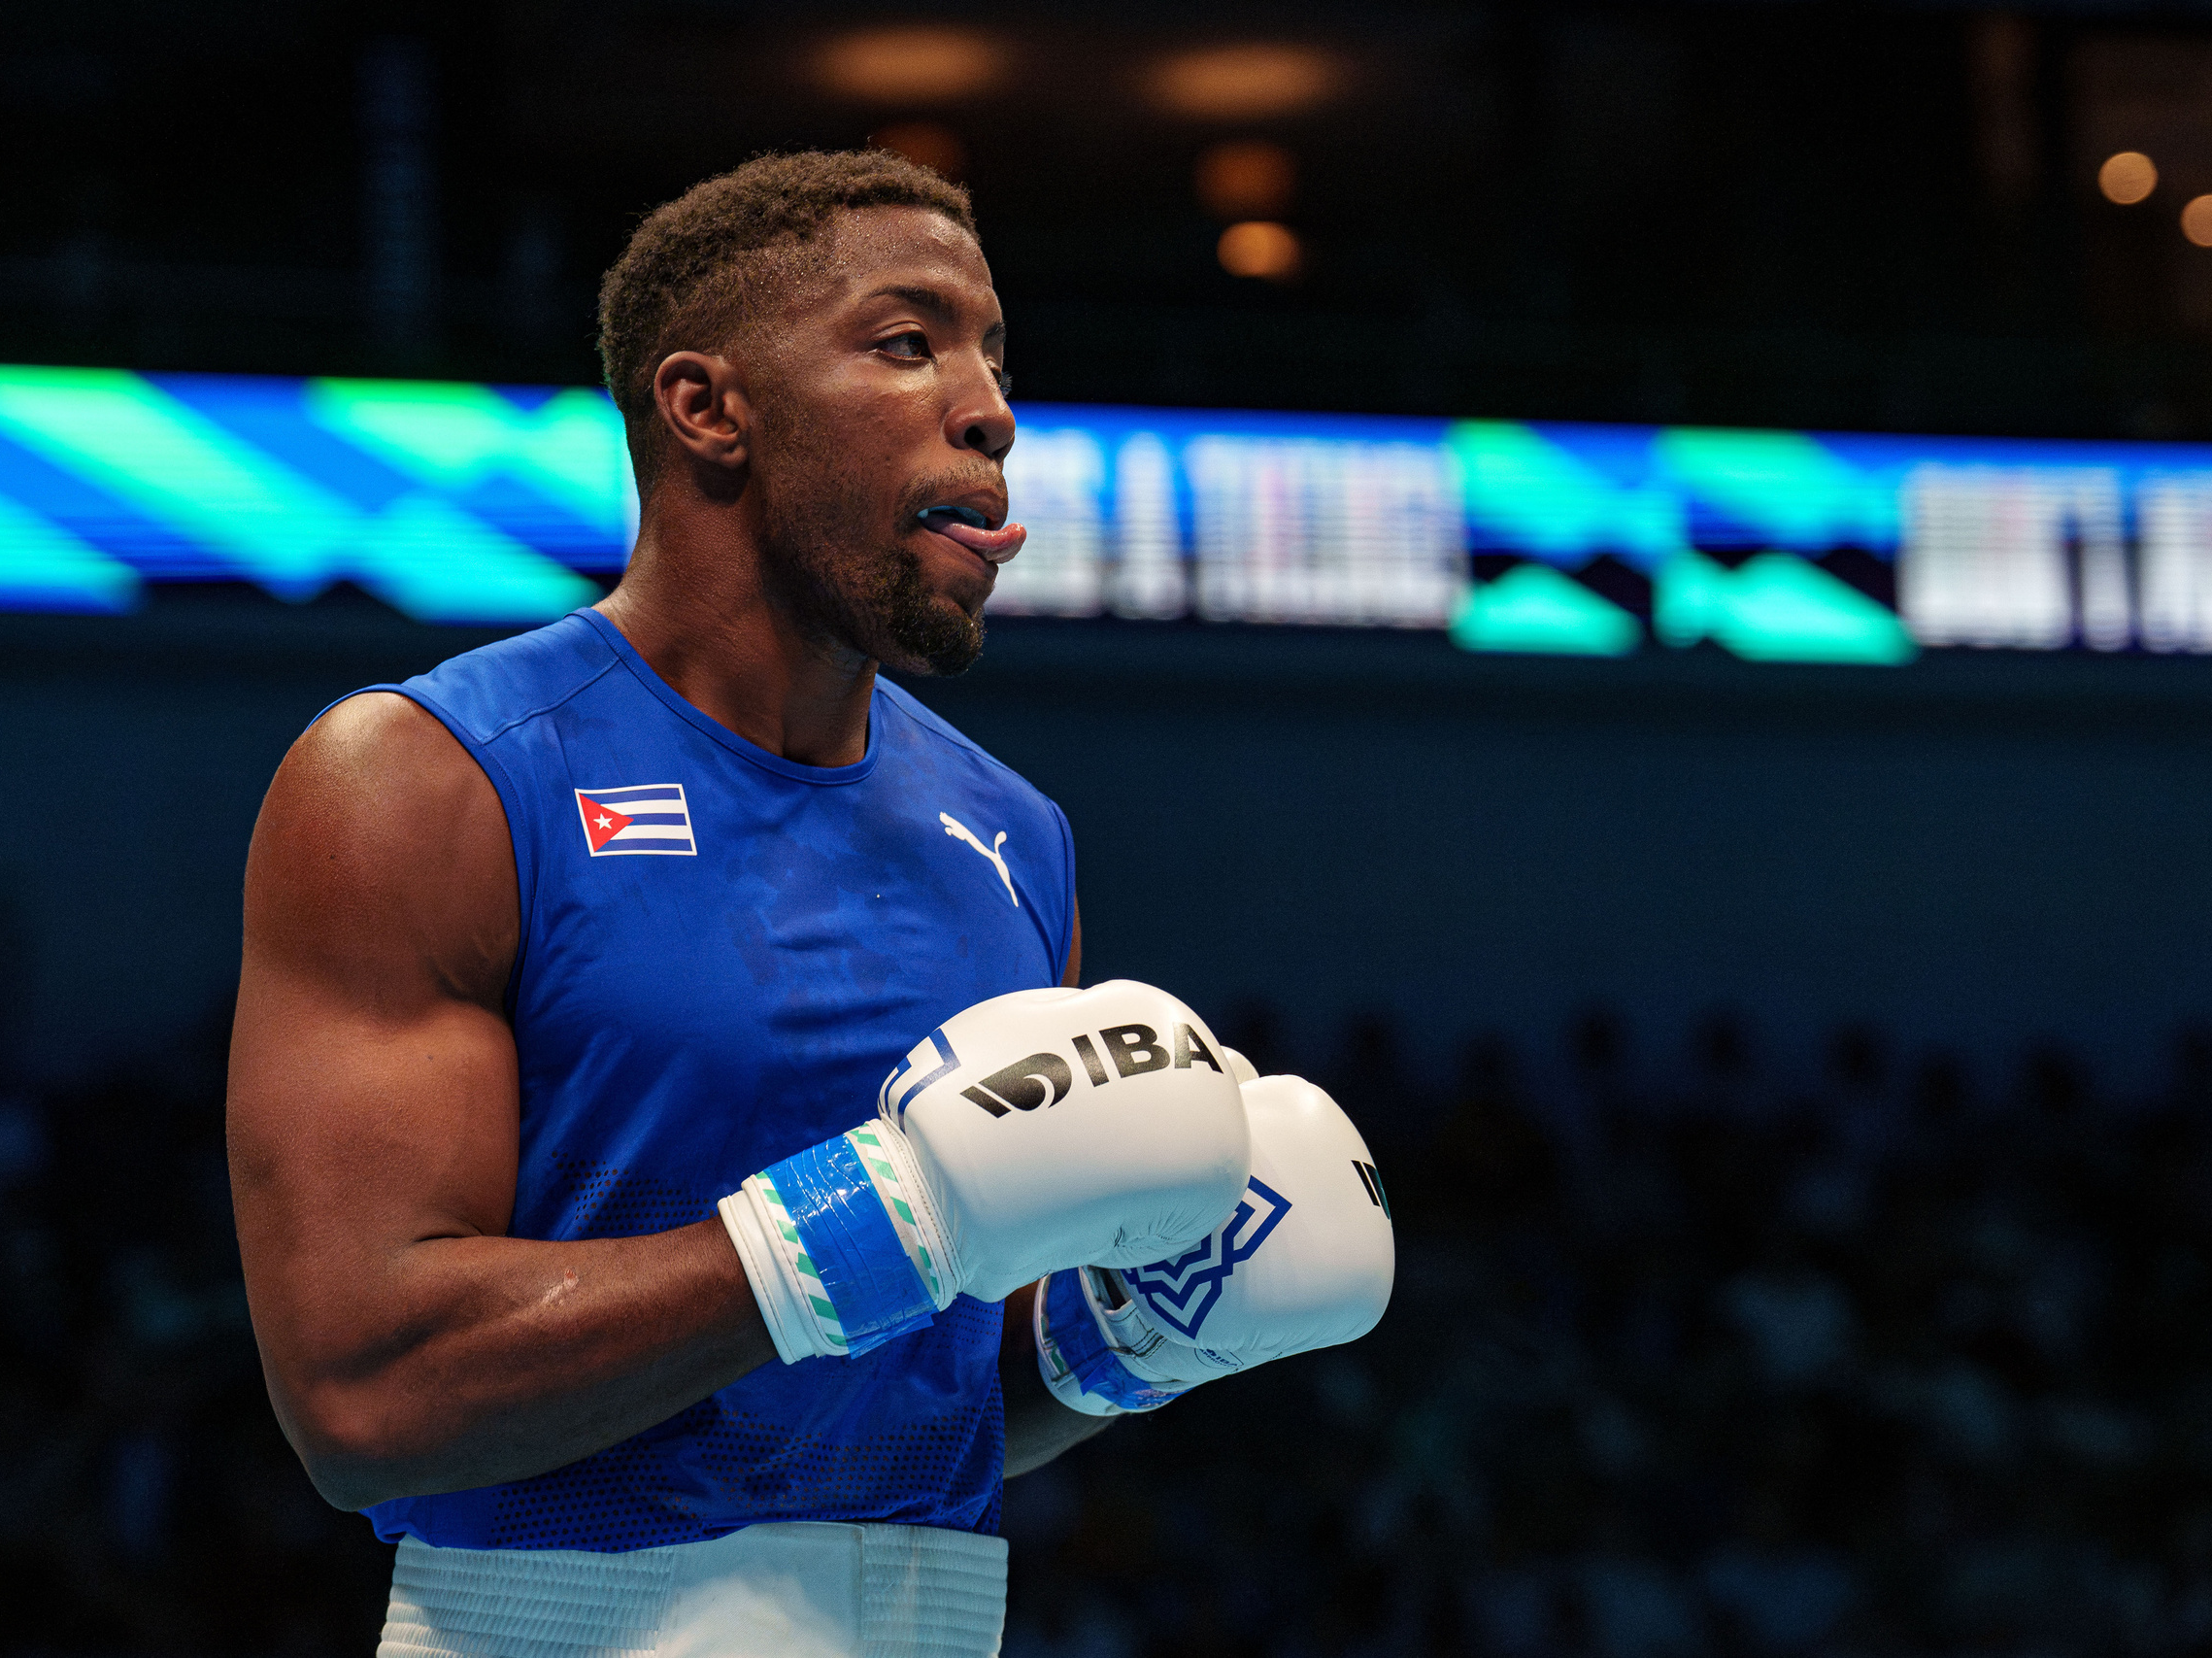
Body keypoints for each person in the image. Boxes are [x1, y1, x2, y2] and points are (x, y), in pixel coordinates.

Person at [226, 151, 1390, 1658]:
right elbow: (366, 1397)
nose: (987, 408)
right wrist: (890, 1215)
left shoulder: (1013, 838)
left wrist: (1129, 1344)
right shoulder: (429, 781)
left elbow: (921, 1382)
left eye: (992, 354)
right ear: (708, 410)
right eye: (908, 345)